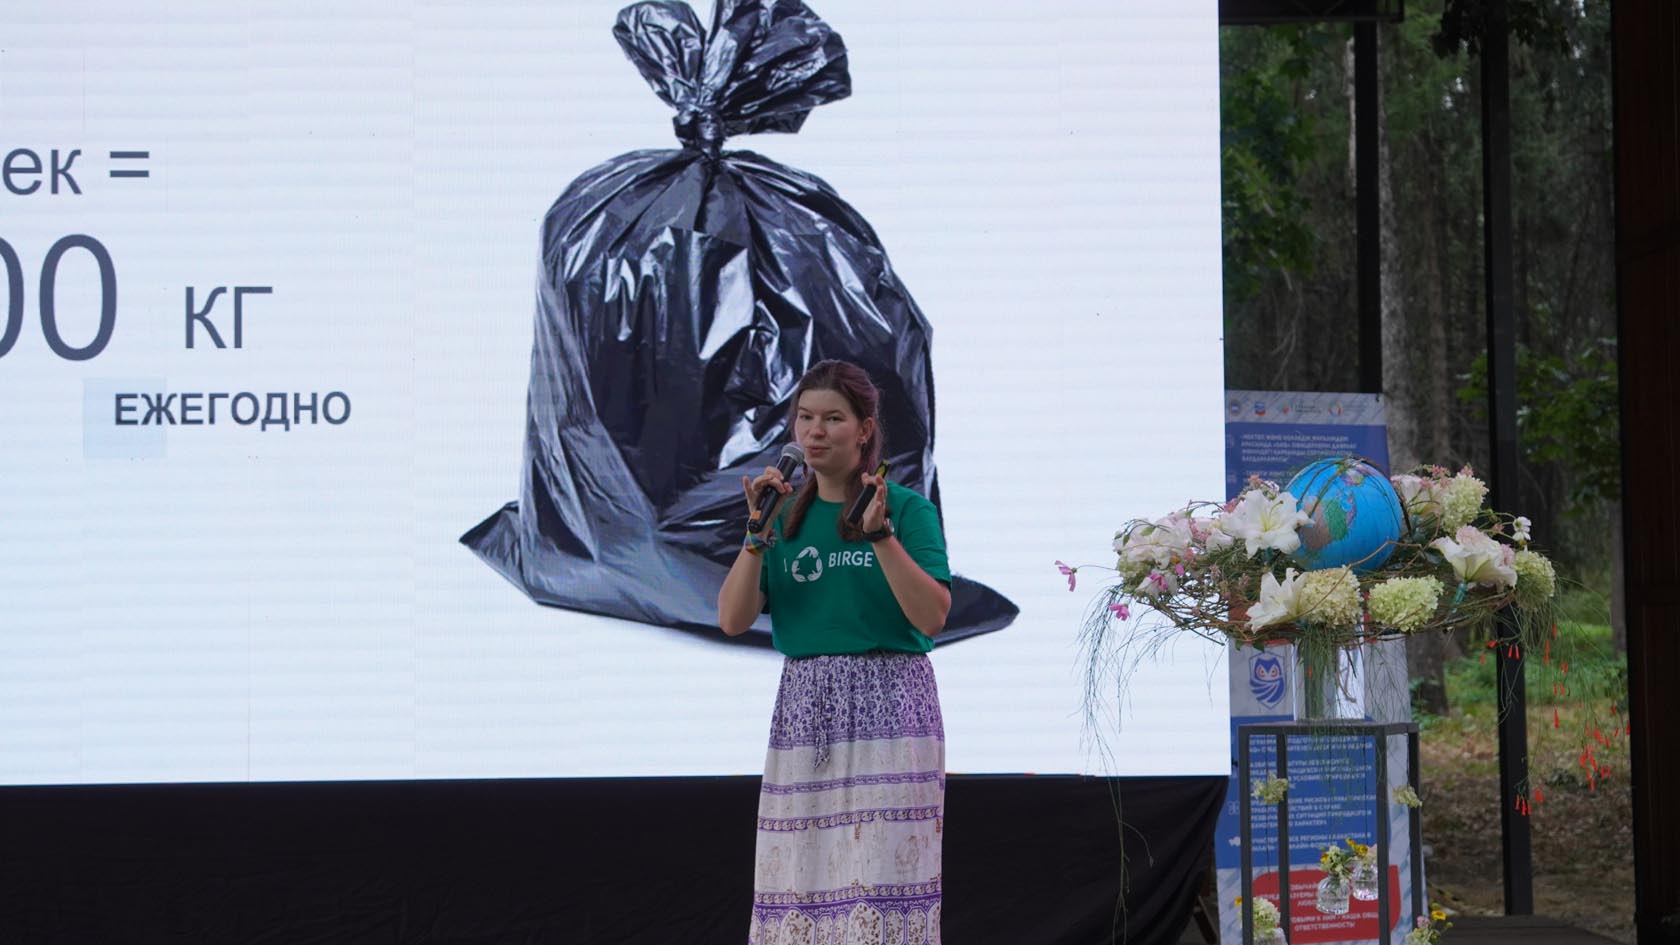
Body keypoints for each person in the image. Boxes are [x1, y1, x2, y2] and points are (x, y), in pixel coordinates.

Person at [717, 359, 953, 945]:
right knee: (801, 880)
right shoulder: (780, 517)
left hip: (889, 703)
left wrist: (879, 536)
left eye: (832, 419)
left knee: (879, 880)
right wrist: (755, 536)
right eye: (805, 418)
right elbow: (732, 619)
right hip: (806, 710)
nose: (815, 432)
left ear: (864, 429)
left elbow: (932, 616)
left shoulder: (906, 510)